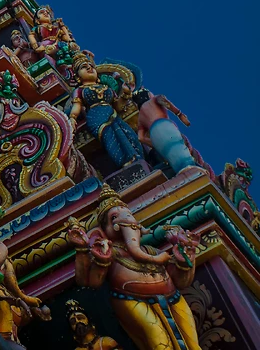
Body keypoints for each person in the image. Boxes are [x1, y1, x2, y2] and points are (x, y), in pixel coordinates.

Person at [66, 186, 201, 350]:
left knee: (192, 344)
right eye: (114, 217)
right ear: (103, 231)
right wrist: (86, 251)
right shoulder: (111, 253)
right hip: (132, 300)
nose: (126, 219)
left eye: (128, 215)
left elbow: (181, 281)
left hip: (172, 297)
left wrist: (184, 255)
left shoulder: (149, 250)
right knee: (159, 341)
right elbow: (92, 282)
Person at [131, 86, 196, 173]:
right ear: (148, 95)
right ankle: (191, 169)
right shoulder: (154, 100)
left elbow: (141, 138)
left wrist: (155, 144)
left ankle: (181, 172)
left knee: (170, 155)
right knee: (178, 147)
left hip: (155, 135)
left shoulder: (140, 117)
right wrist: (179, 114)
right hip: (164, 126)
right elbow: (164, 101)